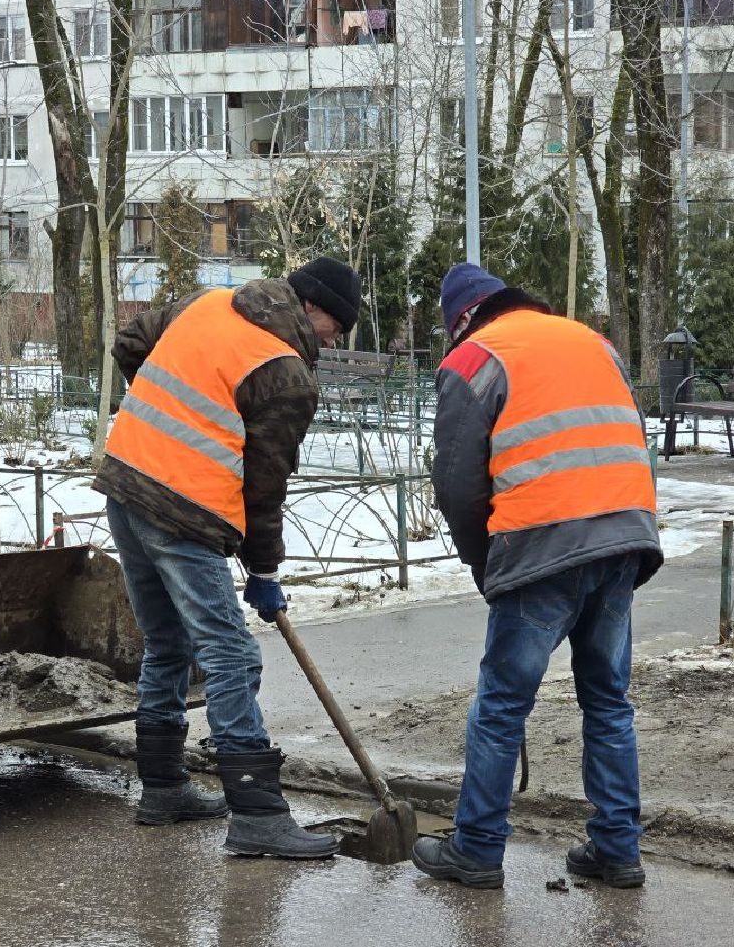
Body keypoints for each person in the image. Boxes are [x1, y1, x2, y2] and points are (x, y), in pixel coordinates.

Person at [94, 257, 362, 859]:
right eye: (336, 326)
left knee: (168, 644)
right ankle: (258, 815)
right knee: (231, 651)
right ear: (312, 307)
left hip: (125, 482)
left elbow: (130, 344)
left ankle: (163, 789)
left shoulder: (207, 303)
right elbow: (266, 486)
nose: (334, 340)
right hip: (183, 509)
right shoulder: (285, 373)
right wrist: (264, 572)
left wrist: (170, 420)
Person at [412, 263, 663, 889]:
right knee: (608, 700)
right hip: (624, 536)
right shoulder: (592, 342)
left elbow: (457, 485)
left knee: (501, 704)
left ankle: (475, 850)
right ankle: (616, 850)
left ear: (463, 320)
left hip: (542, 544)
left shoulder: (475, 359)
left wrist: (483, 564)